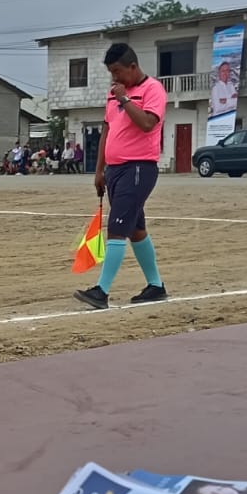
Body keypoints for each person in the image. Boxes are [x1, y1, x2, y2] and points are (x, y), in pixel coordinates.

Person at [75, 42, 167, 310]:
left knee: (117, 228)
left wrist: (125, 99)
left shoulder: (153, 90)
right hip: (115, 170)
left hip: (138, 168)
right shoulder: (113, 93)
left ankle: (101, 291)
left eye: (117, 71)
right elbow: (107, 130)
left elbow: (148, 123)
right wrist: (99, 170)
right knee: (136, 230)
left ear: (132, 67)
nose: (114, 77)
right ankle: (156, 286)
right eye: (111, 72)